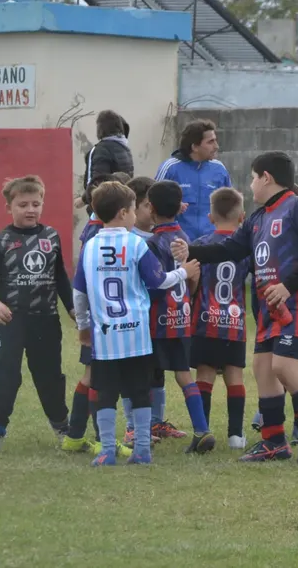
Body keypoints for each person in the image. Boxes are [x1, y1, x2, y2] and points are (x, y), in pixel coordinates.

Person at [174, 151, 298, 464]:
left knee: (284, 365)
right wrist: (190, 251)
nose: (250, 186)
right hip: (269, 306)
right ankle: (274, 440)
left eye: (252, 178)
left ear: (266, 177)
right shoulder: (258, 219)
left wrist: (287, 285)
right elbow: (230, 248)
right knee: (263, 368)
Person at [72, 181, 199, 466]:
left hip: (105, 338)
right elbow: (158, 281)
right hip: (137, 334)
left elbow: (79, 294)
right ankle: (142, 450)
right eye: (132, 210)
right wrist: (183, 272)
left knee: (106, 392)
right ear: (122, 213)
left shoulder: (89, 246)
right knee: (140, 392)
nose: (134, 216)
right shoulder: (136, 244)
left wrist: (83, 327)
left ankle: (106, 450)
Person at [0, 176, 74, 452]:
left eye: (36, 204)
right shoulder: (0, 240)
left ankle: (61, 425)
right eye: (22, 205)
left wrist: (71, 307)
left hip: (45, 318)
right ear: (9, 207)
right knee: (6, 372)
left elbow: (61, 278)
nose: (30, 210)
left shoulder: (51, 237)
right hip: (10, 320)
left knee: (49, 374)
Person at [64, 171, 137, 455]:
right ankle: (100, 438)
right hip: (104, 321)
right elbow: (83, 284)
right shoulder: (102, 237)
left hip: (96, 319)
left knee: (90, 376)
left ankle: (74, 436)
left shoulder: (92, 232)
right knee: (100, 380)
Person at [146, 180, 216, 454]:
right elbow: (194, 282)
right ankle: (201, 429)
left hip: (157, 321)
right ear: (180, 208)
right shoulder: (187, 239)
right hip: (182, 319)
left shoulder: (152, 244)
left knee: (147, 375)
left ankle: (142, 430)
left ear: (150, 208)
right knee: (184, 375)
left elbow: (152, 285)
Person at [190, 187, 252, 450]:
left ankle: (202, 431)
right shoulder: (246, 248)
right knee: (234, 377)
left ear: (210, 217)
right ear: (242, 217)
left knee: (204, 375)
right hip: (234, 323)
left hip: (205, 321)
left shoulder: (202, 245)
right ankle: (236, 436)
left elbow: (192, 281)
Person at [121, 176, 166, 447]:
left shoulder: (162, 236)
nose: (155, 210)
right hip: (135, 319)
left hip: (160, 318)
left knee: (157, 370)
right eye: (150, 205)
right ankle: (132, 427)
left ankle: (156, 422)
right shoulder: (129, 240)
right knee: (135, 373)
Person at [155, 119, 232, 241]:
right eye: (210, 142)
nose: (216, 146)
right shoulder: (170, 168)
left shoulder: (219, 169)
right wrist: (172, 206)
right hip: (179, 245)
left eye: (215, 141)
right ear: (195, 147)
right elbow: (153, 204)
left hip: (212, 244)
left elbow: (231, 206)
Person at [83, 110, 134, 192]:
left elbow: (96, 183)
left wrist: (84, 199)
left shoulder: (100, 150)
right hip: (123, 200)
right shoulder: (125, 149)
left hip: (105, 201)